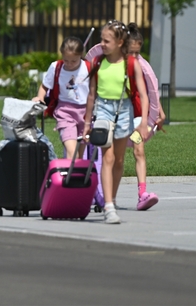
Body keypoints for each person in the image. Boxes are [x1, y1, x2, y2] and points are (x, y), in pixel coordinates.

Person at [84, 20, 149, 224]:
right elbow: (92, 95)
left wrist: (143, 122)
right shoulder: (97, 62)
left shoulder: (131, 63)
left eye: (106, 40)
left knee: (119, 160)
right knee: (108, 158)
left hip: (124, 110)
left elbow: (144, 95)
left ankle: (112, 196)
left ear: (120, 42)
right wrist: (87, 123)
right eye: (101, 40)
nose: (102, 44)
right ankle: (109, 206)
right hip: (103, 110)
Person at [125, 23, 165, 210]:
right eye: (130, 52)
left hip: (139, 117)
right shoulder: (114, 65)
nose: (134, 57)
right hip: (119, 116)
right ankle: (102, 195)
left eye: (137, 52)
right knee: (112, 158)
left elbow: (151, 92)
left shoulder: (142, 66)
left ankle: (142, 194)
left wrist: (159, 112)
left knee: (138, 150)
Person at [32, 37, 90, 160]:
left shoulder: (88, 68)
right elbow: (44, 86)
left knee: (79, 154)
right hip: (65, 112)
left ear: (81, 55)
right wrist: (40, 97)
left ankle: (75, 176)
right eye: (66, 60)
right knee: (72, 150)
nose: (69, 64)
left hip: (86, 114)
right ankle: (71, 177)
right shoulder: (56, 67)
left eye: (73, 61)